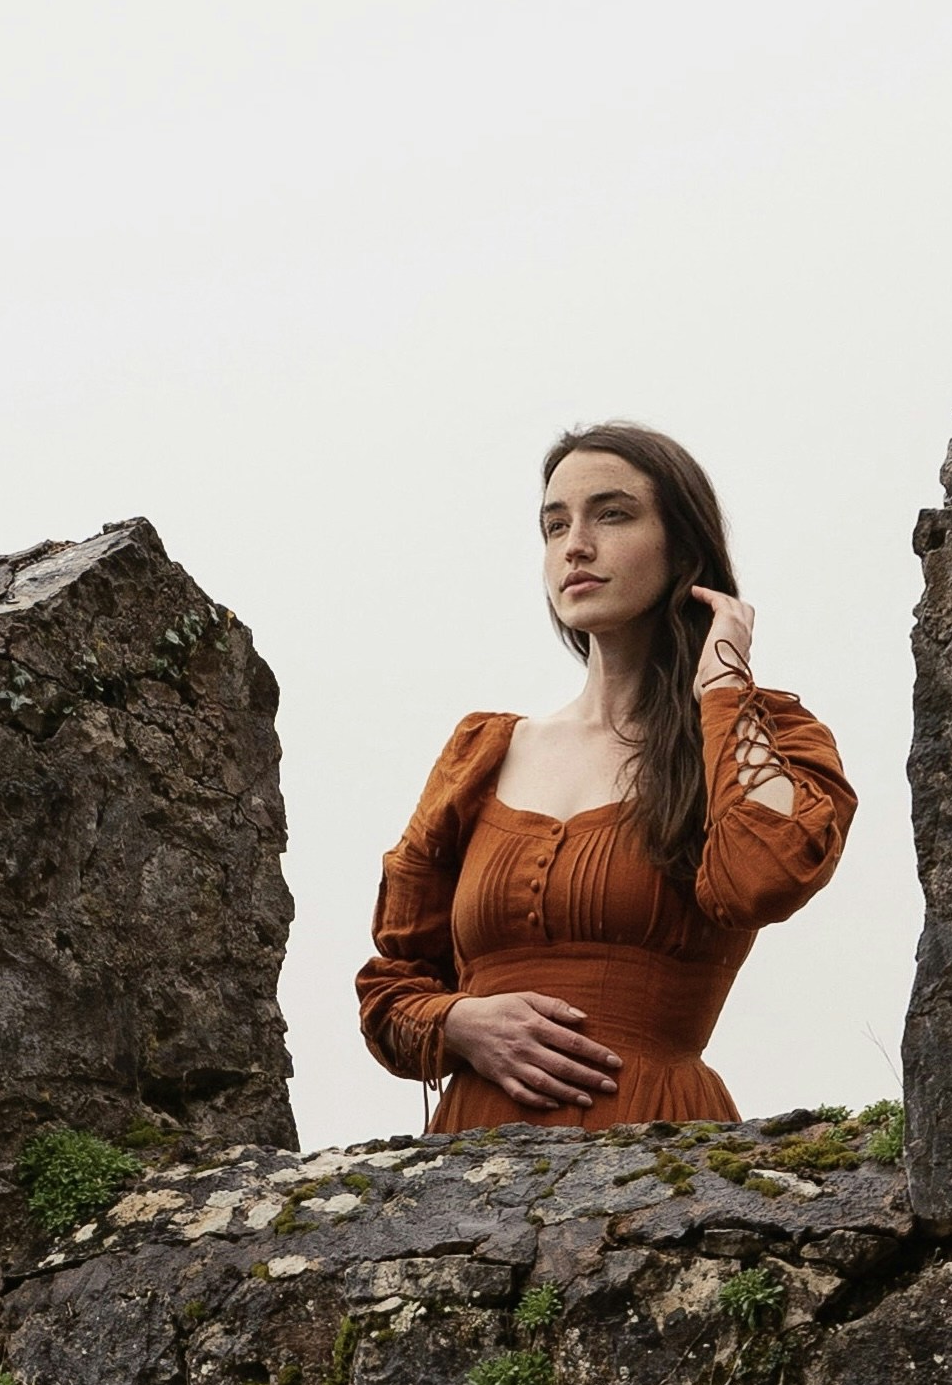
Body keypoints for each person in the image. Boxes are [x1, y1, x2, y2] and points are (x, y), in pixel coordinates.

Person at [356, 422, 855, 1131]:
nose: (575, 545)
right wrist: (458, 1021)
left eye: (611, 514)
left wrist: (721, 684)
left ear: (683, 546)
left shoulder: (763, 733)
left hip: (655, 1146)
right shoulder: (481, 753)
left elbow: (764, 876)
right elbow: (390, 993)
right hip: (465, 1171)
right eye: (553, 525)